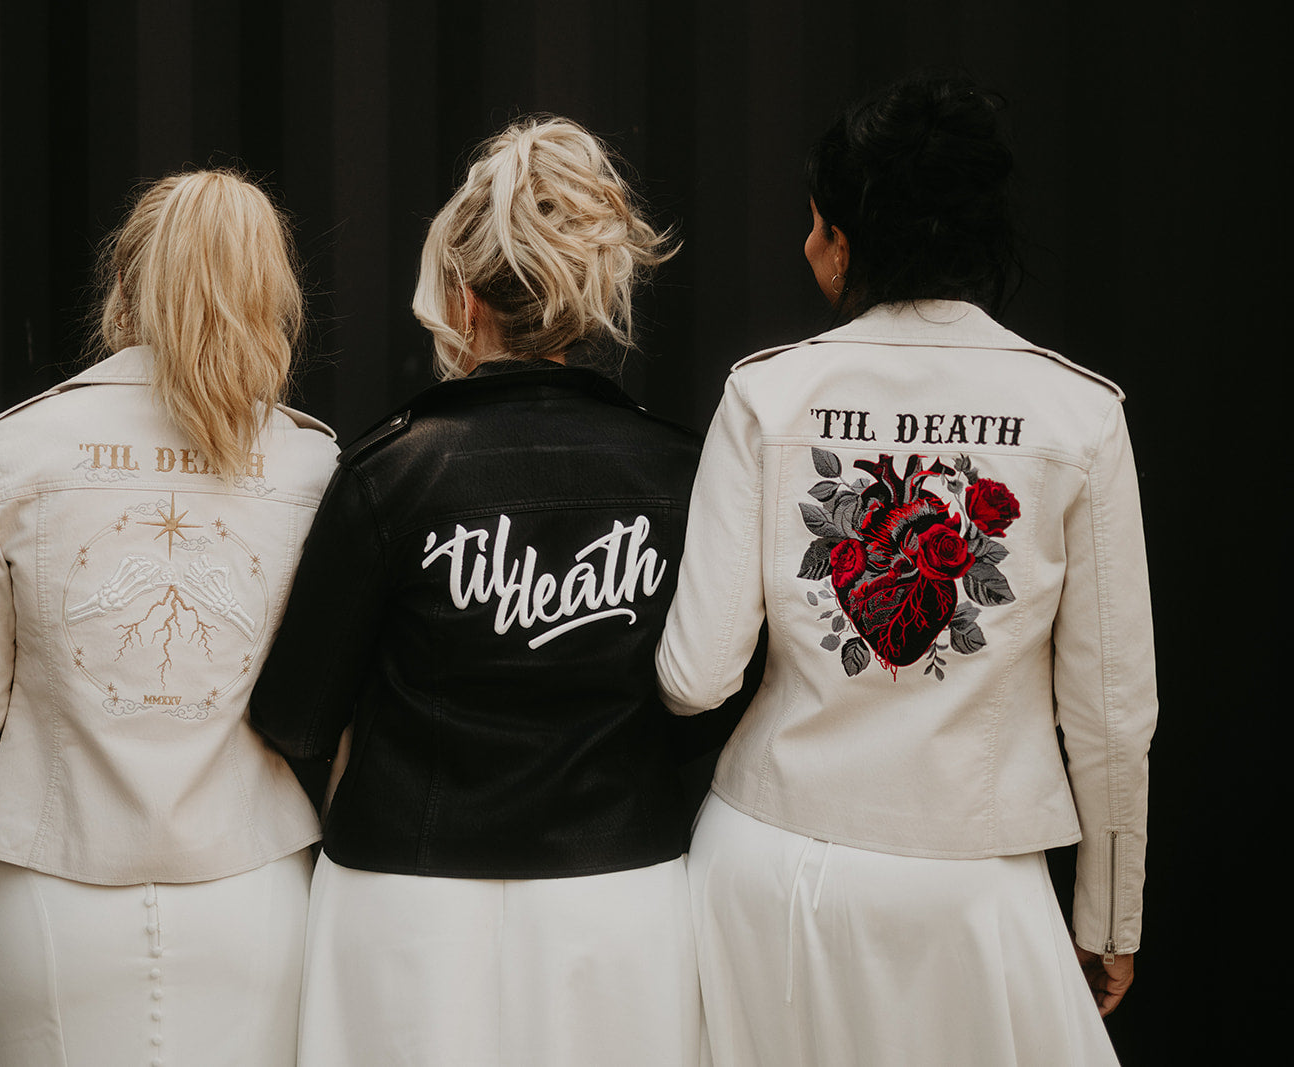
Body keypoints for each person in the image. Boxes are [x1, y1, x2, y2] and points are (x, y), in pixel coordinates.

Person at [655, 72, 1158, 1065]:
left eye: (814, 223)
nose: (807, 245)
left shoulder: (767, 395)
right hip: (971, 885)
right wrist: (1109, 912)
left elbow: (695, 676)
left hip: (768, 865)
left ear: (845, 238)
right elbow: (1110, 710)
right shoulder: (1078, 414)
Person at [249, 117, 708, 1066]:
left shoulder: (391, 470)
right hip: (617, 899)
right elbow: (713, 695)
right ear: (582, 308)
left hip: (407, 910)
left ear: (463, 299)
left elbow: (294, 715)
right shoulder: (679, 470)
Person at [0, 169, 338, 1065]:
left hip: (54, 899)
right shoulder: (312, 466)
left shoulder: (15, 450)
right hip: (254, 894)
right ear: (273, 292)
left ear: (124, 284)